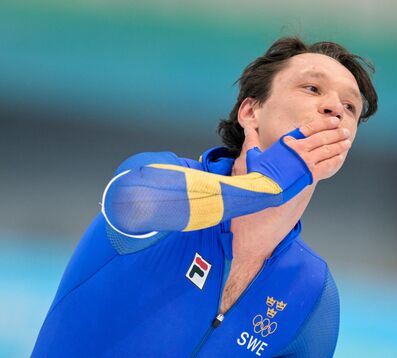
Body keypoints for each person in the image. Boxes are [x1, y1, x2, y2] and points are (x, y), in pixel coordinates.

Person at [32, 36, 378, 357]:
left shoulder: (312, 294)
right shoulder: (162, 179)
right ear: (250, 112)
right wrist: (266, 184)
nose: (335, 108)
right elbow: (131, 202)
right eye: (312, 87)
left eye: (349, 107)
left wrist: (272, 184)